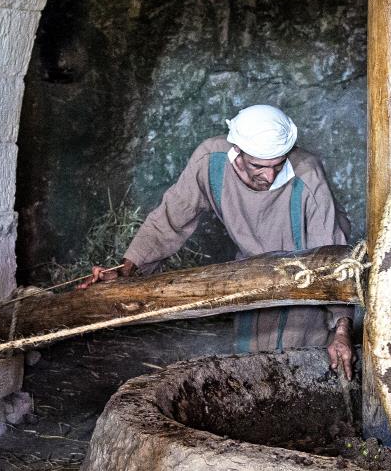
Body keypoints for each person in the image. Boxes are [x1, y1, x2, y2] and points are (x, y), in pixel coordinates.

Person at [80, 104, 355, 377]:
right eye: (258, 166)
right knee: (249, 366)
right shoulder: (210, 161)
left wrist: (342, 330)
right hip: (250, 274)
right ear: (238, 152)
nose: (269, 176)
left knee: (299, 367)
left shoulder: (308, 177)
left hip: (304, 281)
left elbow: (334, 260)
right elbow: (170, 219)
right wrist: (127, 269)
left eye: (278, 165)